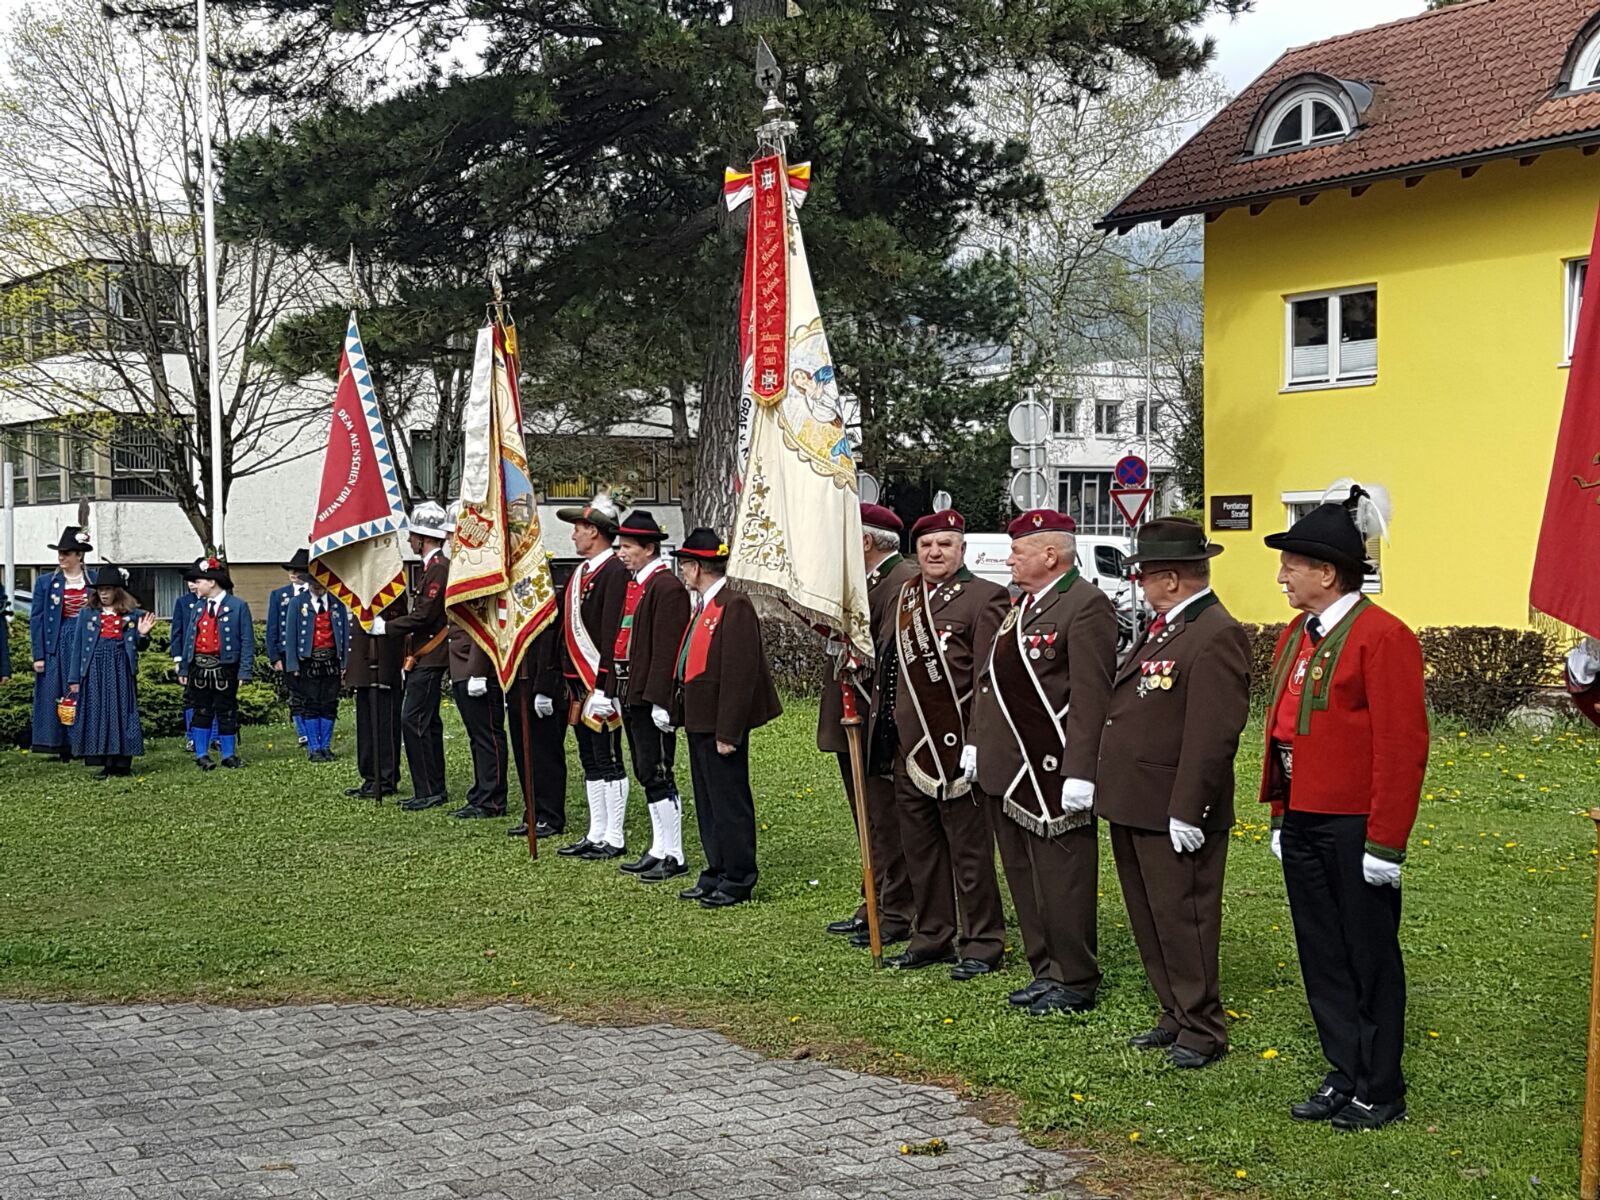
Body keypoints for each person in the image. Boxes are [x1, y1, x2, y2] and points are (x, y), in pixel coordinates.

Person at [1261, 487, 1428, 1131]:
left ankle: (1380, 1085)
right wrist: (1282, 814)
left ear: (1327, 573)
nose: (1282, 577)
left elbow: (1401, 747)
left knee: (1368, 953)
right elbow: (1283, 733)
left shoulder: (1384, 638)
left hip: (1355, 825)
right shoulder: (1296, 635)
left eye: (1291, 566)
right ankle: (1344, 1067)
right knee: (1321, 949)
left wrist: (1385, 842)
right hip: (1304, 817)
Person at [1097, 517, 1250, 1066]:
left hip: (1172, 805)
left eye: (1143, 576)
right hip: (1137, 799)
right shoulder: (1169, 625)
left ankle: (1203, 1027)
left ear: (1170, 578)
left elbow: (1214, 734)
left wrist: (1189, 809)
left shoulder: (1214, 632)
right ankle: (1175, 1010)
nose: (1139, 585)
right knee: (1151, 916)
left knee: (1184, 918)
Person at [969, 509, 1114, 1013]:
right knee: (1024, 874)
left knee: (1062, 877)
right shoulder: (1021, 606)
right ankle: (1044, 968)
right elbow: (989, 683)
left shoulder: (1086, 605)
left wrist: (1081, 770)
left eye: (1018, 551)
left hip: (1052, 767)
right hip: (1009, 766)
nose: (1009, 560)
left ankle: (1074, 976)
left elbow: (1092, 695)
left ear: (1050, 555)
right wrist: (977, 742)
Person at [886, 510, 1009, 979]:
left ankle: (982, 941)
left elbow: (987, 678)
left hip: (957, 747)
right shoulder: (906, 597)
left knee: (970, 852)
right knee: (920, 850)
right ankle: (933, 935)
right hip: (910, 747)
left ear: (963, 550)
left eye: (945, 544)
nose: (935, 553)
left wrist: (977, 741)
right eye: (926, 545)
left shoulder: (986, 597)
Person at [820, 503, 919, 947]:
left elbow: (890, 654)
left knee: (885, 820)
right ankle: (874, 900)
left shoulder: (900, 583)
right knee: (868, 819)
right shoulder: (866, 581)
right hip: (853, 716)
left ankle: (895, 909)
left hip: (877, 719)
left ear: (865, 541)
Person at [669, 528, 782, 908]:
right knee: (707, 800)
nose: (683, 572)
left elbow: (739, 673)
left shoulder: (735, 605)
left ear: (698, 567)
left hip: (720, 722)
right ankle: (716, 869)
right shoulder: (704, 604)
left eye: (685, 565)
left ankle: (738, 876)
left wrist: (729, 731)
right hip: (699, 717)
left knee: (729, 801)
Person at [613, 510, 692, 881]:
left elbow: (667, 649)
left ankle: (674, 852)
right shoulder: (639, 584)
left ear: (648, 548)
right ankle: (659, 847)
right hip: (633, 692)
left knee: (659, 771)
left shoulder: (667, 588)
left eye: (628, 547)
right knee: (646, 770)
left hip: (651, 695)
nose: (622, 553)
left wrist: (662, 699)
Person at [554, 494, 630, 860]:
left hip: (600, 684)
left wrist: (604, 686)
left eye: (579, 529)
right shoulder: (580, 572)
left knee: (608, 758)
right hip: (577, 684)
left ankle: (614, 835)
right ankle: (596, 830)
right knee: (589, 758)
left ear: (596, 532)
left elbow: (613, 632)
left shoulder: (614, 572)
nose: (573, 535)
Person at [375, 503, 453, 811]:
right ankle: (432, 787)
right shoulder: (430, 567)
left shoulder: (439, 568)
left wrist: (387, 627)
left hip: (431, 655)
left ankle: (428, 790)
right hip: (425, 656)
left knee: (414, 720)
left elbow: (424, 616)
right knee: (426, 722)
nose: (409, 540)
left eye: (413, 536)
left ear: (424, 538)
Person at [67, 565, 156, 778]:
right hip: (95, 668)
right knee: (99, 711)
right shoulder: (87, 614)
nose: (104, 594)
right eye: (100, 590)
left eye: (108, 589)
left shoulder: (133, 615)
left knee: (123, 711)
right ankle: (105, 761)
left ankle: (123, 762)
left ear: (118, 590)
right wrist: (74, 678)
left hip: (120, 667)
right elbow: (78, 647)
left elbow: (140, 646)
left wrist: (143, 634)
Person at [178, 556, 255, 770]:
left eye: (198, 581)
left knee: (227, 710)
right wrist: (184, 667)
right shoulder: (198, 607)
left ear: (212, 582)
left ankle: (228, 754)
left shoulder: (238, 606)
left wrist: (244, 671)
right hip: (199, 667)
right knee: (201, 709)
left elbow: (247, 641)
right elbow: (189, 639)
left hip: (226, 667)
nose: (195, 585)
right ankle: (201, 754)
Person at [30, 525, 93, 758]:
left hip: (86, 640)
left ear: (79, 555)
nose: (61, 557)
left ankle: (84, 742)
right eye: (60, 553)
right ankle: (58, 743)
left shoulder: (94, 580)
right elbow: (37, 619)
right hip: (57, 641)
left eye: (66, 553)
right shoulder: (46, 582)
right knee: (55, 690)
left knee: (85, 690)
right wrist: (38, 655)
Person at [506, 608, 570, 839]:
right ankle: (533, 811)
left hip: (543, 685)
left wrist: (545, 687)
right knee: (524, 754)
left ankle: (550, 815)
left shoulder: (549, 599)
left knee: (545, 755)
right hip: (519, 682)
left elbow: (551, 642)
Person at [345, 594, 406, 799]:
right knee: (366, 726)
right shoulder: (360, 589)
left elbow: (395, 624)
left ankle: (386, 778)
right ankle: (370, 776)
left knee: (384, 726)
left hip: (382, 665)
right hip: (363, 665)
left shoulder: (390, 589)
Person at [447, 622, 510, 819]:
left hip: (477, 669)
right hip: (462, 666)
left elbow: (485, 625)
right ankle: (482, 792)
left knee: (487, 736)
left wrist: (478, 670)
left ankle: (492, 800)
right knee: (477, 737)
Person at [284, 575, 350, 762]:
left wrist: (344, 663)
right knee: (311, 703)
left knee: (329, 704)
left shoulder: (337, 603)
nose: (319, 588)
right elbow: (291, 635)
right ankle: (314, 748)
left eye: (322, 585)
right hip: (308, 660)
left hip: (331, 661)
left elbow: (345, 634)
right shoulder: (297, 603)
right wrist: (293, 664)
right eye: (315, 585)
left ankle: (325, 747)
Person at [268, 549, 312, 746]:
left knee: (311, 692)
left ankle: (312, 729)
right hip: (287, 652)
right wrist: (274, 656)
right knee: (295, 692)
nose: (293, 573)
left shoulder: (315, 593)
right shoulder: (279, 595)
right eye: (291, 570)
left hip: (310, 651)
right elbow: (273, 627)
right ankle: (302, 731)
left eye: (298, 570)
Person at [170, 560, 208, 753]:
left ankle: (215, 736)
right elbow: (177, 632)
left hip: (210, 656)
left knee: (213, 697)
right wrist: (178, 658)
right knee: (191, 698)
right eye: (190, 581)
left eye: (197, 580)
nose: (193, 585)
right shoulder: (183, 602)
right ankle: (192, 737)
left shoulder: (215, 601)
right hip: (189, 657)